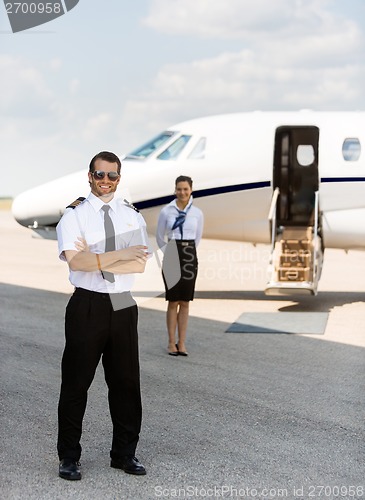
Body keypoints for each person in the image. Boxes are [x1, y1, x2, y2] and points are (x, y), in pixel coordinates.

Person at [56, 151, 149, 480]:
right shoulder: (75, 216)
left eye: (112, 175)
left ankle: (124, 454)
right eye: (99, 174)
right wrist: (120, 253)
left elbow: (139, 264)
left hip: (123, 302)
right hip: (88, 303)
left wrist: (96, 255)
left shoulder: (131, 215)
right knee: (76, 383)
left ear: (119, 178)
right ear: (90, 176)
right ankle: (69, 456)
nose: (105, 181)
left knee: (126, 383)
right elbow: (75, 262)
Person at [156, 175, 204, 356]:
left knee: (185, 301)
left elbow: (197, 237)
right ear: (175, 190)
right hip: (172, 253)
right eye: (179, 189)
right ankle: (171, 343)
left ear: (191, 190)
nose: (182, 192)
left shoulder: (197, 213)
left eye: (185, 189)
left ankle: (181, 343)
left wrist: (187, 251)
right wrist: (169, 253)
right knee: (173, 300)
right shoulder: (166, 211)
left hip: (189, 254)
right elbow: (160, 236)